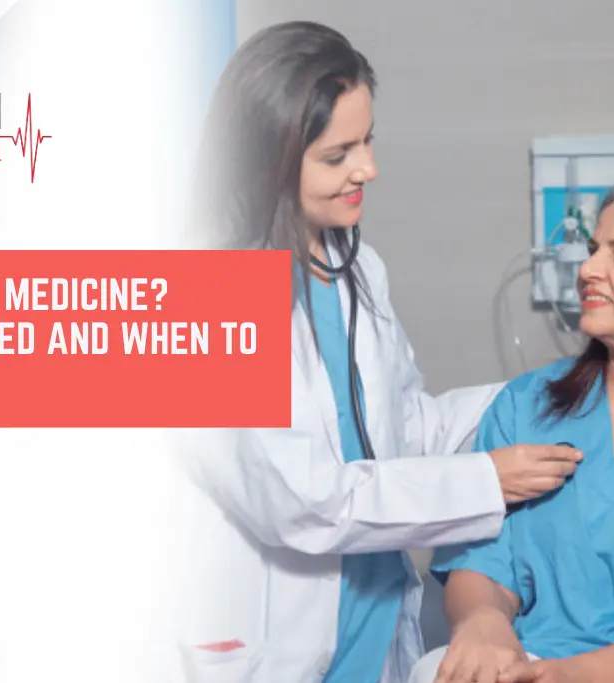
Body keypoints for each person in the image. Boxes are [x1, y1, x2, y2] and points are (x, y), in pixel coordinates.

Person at [170, 20, 583, 683]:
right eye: (338, 155)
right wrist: (485, 480)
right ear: (267, 158)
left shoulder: (357, 269)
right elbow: (300, 499)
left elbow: (406, 427)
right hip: (271, 643)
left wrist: (554, 388)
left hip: (372, 629)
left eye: (367, 141)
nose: (369, 168)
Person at [409, 177, 614, 683]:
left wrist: (578, 674)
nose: (588, 269)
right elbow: (483, 558)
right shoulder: (526, 405)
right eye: (593, 249)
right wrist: (483, 620)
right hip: (528, 667)